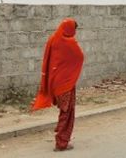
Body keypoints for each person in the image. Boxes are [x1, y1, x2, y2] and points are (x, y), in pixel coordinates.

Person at [31, 18, 85, 152]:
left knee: (64, 112)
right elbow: (80, 57)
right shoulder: (69, 42)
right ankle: (61, 143)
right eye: (74, 30)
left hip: (55, 83)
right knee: (67, 113)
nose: (74, 33)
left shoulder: (53, 39)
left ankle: (61, 138)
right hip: (66, 85)